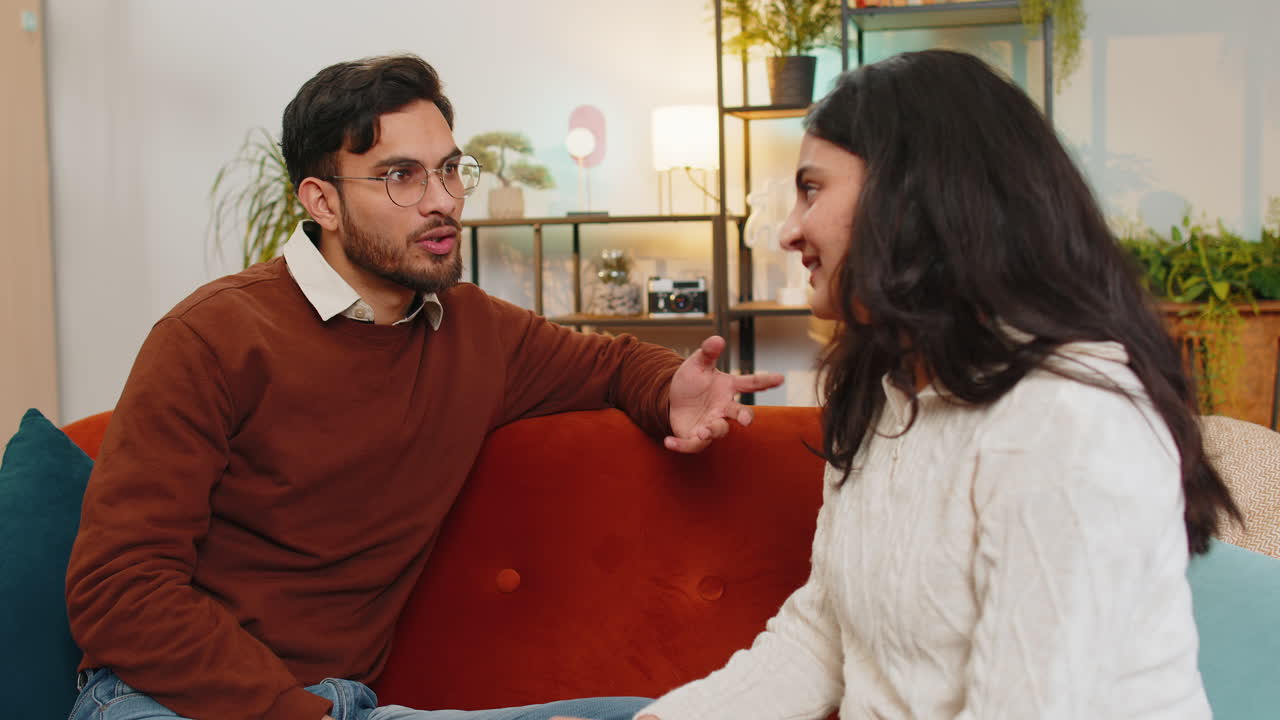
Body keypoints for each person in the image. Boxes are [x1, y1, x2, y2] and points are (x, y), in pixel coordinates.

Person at [64, 54, 782, 720]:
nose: (442, 200)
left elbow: (614, 365)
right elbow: (118, 591)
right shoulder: (211, 336)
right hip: (163, 701)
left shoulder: (475, 333)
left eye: (450, 170)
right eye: (401, 176)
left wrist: (671, 390)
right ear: (322, 201)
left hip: (344, 705)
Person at [623, 50, 1241, 720]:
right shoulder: (884, 396)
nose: (789, 230)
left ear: (914, 198)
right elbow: (819, 643)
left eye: (812, 190)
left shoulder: (1071, 416)